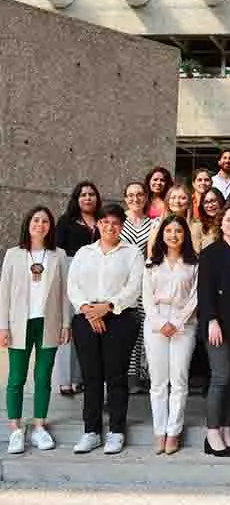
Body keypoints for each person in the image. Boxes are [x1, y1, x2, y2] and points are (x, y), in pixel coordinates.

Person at [67, 203, 143, 455]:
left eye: (115, 223)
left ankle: (116, 431)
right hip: (86, 318)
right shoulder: (84, 253)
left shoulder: (131, 253)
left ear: (122, 226)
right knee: (91, 377)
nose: (110, 227)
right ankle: (91, 431)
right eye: (105, 222)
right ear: (98, 224)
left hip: (120, 318)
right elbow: (73, 285)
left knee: (116, 376)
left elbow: (134, 287)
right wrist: (89, 309)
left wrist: (108, 306)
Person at [0, 207, 69, 454]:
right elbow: (4, 293)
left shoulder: (58, 255)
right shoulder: (14, 254)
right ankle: (16, 429)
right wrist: (2, 326)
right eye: (36, 220)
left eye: (45, 221)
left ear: (50, 226)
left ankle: (40, 426)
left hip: (47, 322)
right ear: (28, 224)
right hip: (20, 323)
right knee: (16, 378)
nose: (40, 224)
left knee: (43, 377)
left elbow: (63, 293)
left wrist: (66, 323)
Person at [143, 215, 199, 456]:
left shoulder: (194, 263)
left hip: (183, 323)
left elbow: (196, 297)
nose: (173, 235)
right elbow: (145, 297)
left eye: (178, 231)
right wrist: (159, 322)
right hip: (156, 322)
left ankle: (174, 431)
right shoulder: (151, 263)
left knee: (179, 380)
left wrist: (176, 322)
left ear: (185, 235)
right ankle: (159, 431)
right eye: (168, 231)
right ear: (161, 235)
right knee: (158, 382)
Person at [198, 204, 230, 457]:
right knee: (221, 377)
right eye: (228, 219)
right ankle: (212, 432)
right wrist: (210, 320)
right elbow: (204, 290)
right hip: (218, 325)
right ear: (221, 223)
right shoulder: (211, 252)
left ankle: (226, 428)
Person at [55, 181, 101, 397]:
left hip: (95, 278)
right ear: (77, 198)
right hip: (70, 273)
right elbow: (57, 251)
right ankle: (65, 379)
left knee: (87, 326)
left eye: (91, 194)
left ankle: (80, 377)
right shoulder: (66, 221)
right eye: (83, 194)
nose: (88, 198)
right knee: (67, 325)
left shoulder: (102, 221)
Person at [120, 182, 154, 395]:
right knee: (122, 327)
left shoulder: (152, 224)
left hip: (144, 281)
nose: (135, 199)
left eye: (139, 195)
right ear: (125, 199)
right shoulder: (118, 221)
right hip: (121, 282)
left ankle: (137, 377)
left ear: (145, 197)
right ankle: (122, 375)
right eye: (131, 195)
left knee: (141, 328)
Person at [147, 184, 199, 256]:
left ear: (189, 202)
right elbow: (151, 251)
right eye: (173, 198)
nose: (177, 201)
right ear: (167, 201)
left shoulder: (196, 225)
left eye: (182, 198)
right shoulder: (158, 223)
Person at [191, 188, 224, 252]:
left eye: (213, 201)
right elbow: (196, 254)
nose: (210, 205)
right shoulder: (198, 226)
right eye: (206, 202)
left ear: (220, 201)